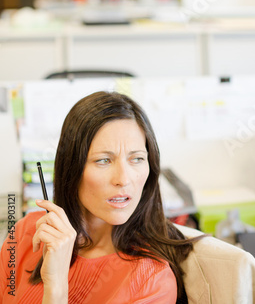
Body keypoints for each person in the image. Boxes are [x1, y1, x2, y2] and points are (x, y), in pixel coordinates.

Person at [0, 91, 197, 303]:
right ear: (72, 168)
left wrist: (56, 285)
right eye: (103, 160)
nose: (123, 179)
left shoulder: (152, 280)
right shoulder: (27, 232)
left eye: (137, 158)